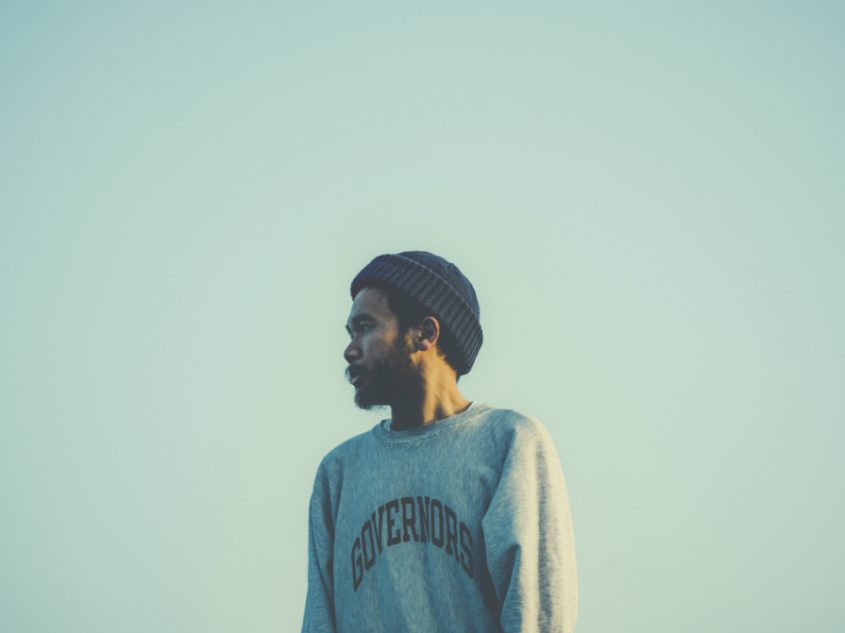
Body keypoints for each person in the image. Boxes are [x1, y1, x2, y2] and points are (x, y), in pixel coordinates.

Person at [301, 250, 578, 633]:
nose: (350, 350)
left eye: (365, 327)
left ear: (426, 333)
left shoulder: (508, 443)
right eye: (351, 333)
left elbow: (537, 613)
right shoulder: (339, 472)